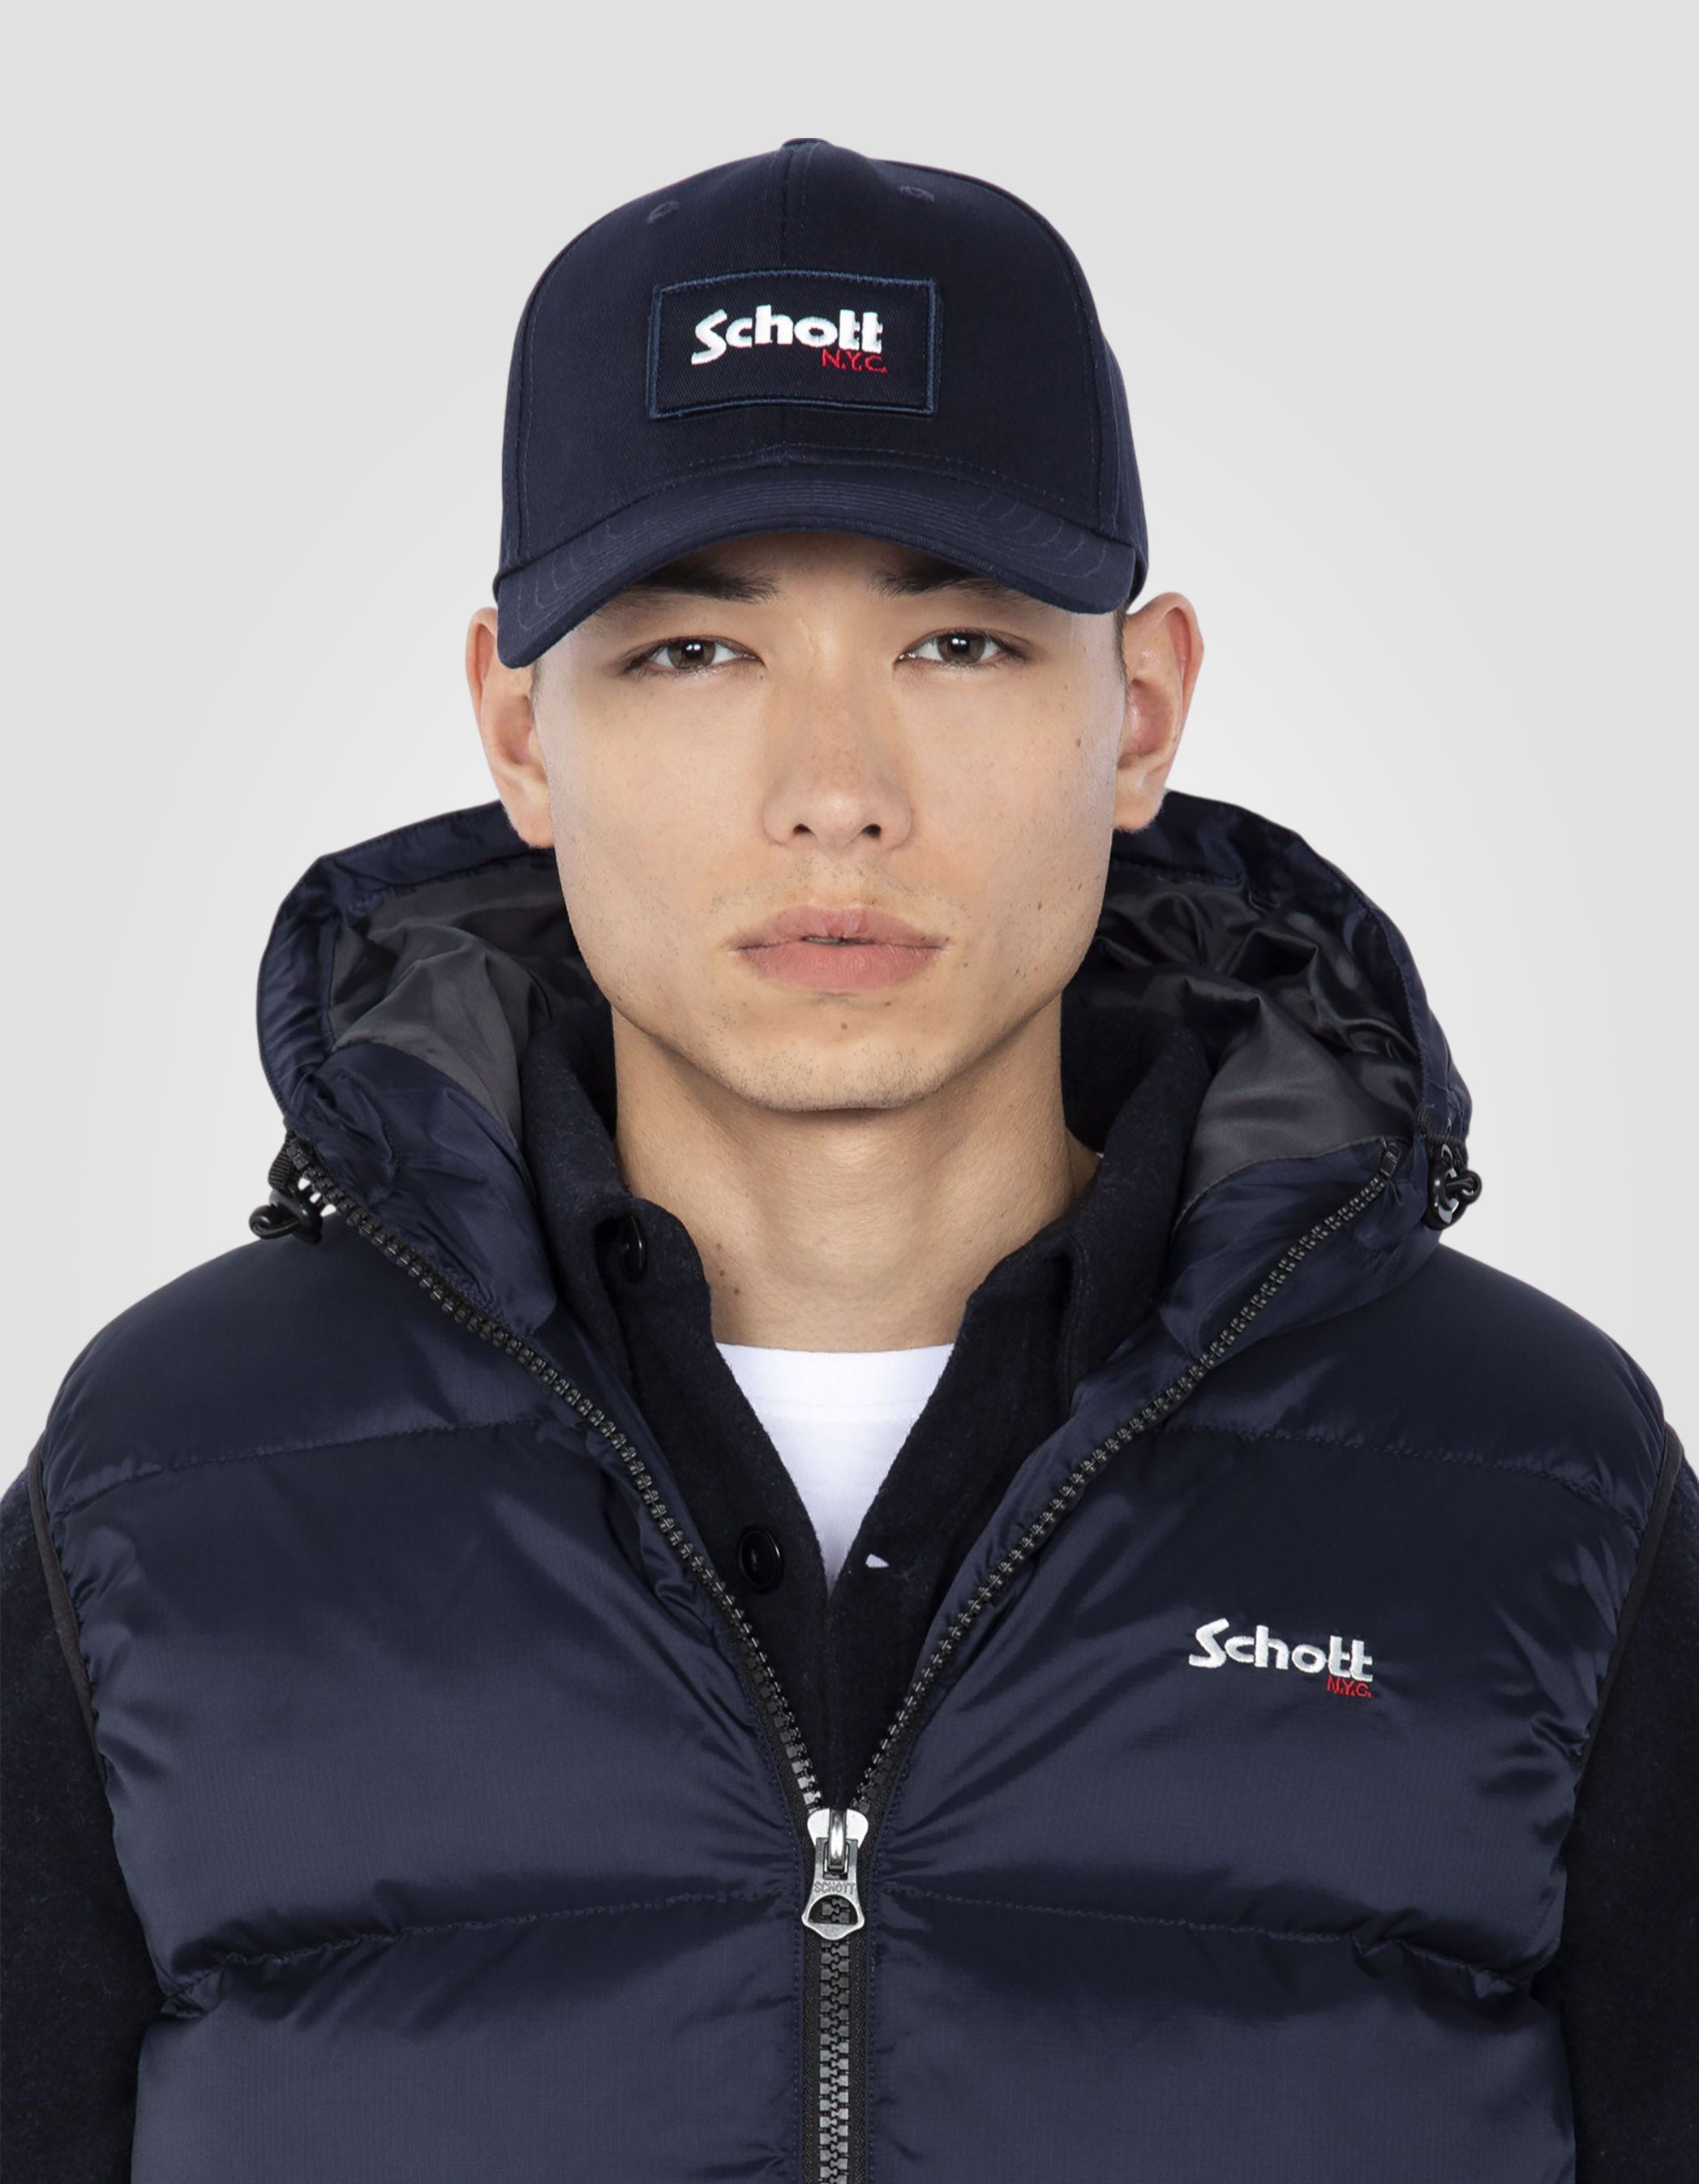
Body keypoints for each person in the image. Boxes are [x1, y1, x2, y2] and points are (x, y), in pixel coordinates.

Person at [2, 137, 1693, 2184]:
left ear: (1140, 711)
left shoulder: (1535, 1482)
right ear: (519, 729)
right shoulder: (168, 1485)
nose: (833, 794)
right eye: (692, 653)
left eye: (958, 644)